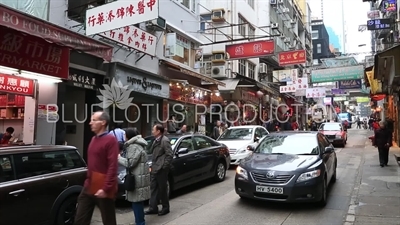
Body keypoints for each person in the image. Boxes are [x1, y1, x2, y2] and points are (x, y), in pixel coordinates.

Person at [74, 111, 119, 225]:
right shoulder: (94, 139)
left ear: (103, 122)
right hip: (89, 185)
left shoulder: (111, 140)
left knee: (108, 220)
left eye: (94, 120)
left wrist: (106, 188)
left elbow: (112, 166)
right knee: (80, 219)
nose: (90, 123)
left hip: (103, 186)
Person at [118, 128, 150, 225]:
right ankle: (140, 221)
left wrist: (118, 158)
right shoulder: (139, 144)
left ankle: (140, 222)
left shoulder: (133, 146)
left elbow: (130, 163)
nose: (123, 136)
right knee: (138, 202)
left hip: (136, 178)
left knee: (136, 202)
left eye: (124, 134)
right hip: (140, 176)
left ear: (128, 136)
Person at [146, 124, 173, 216]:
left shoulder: (165, 141)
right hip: (154, 168)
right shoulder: (155, 141)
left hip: (161, 169)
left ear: (158, 131)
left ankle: (165, 208)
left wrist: (164, 167)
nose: (152, 131)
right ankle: (153, 208)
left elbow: (169, 155)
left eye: (154, 129)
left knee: (162, 189)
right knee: (153, 188)